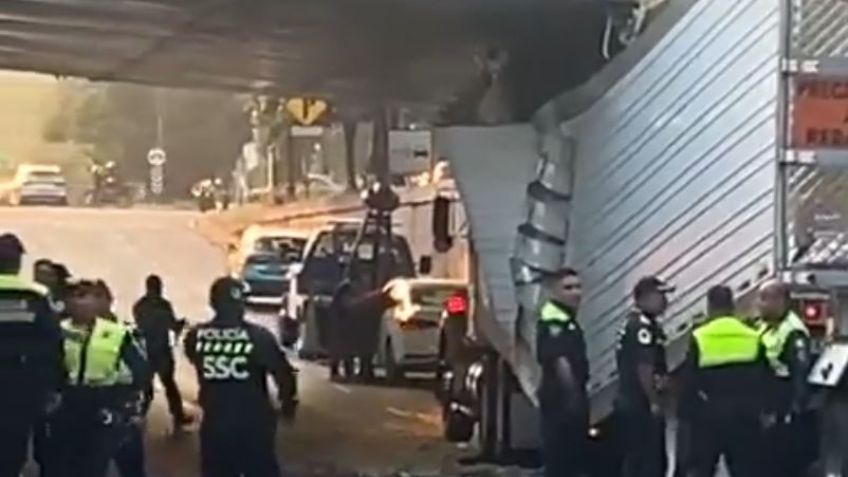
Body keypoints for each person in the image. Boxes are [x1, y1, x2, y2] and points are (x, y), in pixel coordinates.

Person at [184, 277, 298, 477]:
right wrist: (287, 404)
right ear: (242, 304)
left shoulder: (195, 337)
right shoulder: (259, 337)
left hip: (216, 425)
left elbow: (195, 359)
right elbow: (283, 375)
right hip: (254, 425)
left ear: (213, 303)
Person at [52, 279, 149, 477]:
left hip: (106, 404)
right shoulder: (57, 331)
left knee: (98, 465)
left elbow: (141, 373)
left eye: (84, 296)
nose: (79, 302)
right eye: (74, 296)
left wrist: (130, 407)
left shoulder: (117, 333)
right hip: (67, 405)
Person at [678, 285, 769, 477]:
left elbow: (690, 381)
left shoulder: (700, 336)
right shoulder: (752, 336)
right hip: (745, 416)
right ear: (732, 306)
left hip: (709, 416)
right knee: (746, 469)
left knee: (702, 469)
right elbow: (764, 376)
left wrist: (685, 414)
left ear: (710, 306)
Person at [0, 234, 64, 476]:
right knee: (14, 445)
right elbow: (53, 342)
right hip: (23, 385)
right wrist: (55, 386)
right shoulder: (36, 295)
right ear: (17, 263)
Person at [756, 279, 816, 477]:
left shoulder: (793, 332)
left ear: (780, 301)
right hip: (767, 401)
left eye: (765, 299)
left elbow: (800, 374)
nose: (759, 304)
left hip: (783, 404)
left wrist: (792, 411)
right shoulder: (765, 326)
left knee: (783, 464)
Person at [615, 275, 674, 477]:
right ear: (645, 297)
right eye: (661, 295)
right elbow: (644, 366)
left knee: (640, 460)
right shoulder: (641, 326)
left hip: (632, 402)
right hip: (638, 404)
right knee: (649, 463)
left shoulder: (642, 323)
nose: (666, 301)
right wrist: (654, 401)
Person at [535, 267, 589, 477]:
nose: (576, 292)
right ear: (554, 291)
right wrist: (573, 397)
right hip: (560, 400)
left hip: (564, 399)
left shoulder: (566, 317)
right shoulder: (553, 318)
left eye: (578, 287)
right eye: (568, 288)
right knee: (561, 461)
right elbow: (560, 360)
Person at [94, 280, 150, 477]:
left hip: (121, 407)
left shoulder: (126, 333)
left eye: (96, 297)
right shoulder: (72, 333)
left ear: (109, 301)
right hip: (87, 410)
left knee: (131, 467)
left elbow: (143, 373)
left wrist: (137, 408)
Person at [132, 274, 191, 430]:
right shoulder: (164, 305)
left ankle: (138, 415)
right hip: (162, 351)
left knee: (145, 387)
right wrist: (181, 324)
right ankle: (178, 416)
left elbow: (140, 325)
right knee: (169, 385)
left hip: (145, 351)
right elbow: (172, 326)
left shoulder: (139, 305)